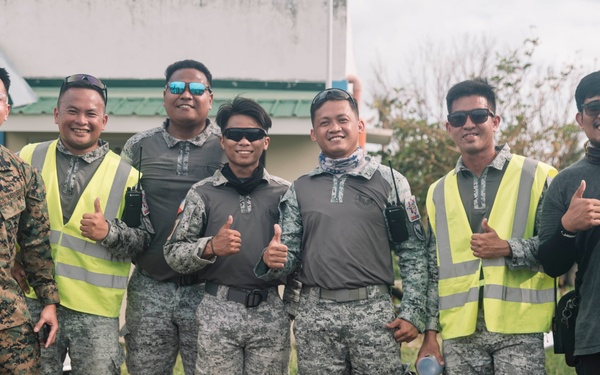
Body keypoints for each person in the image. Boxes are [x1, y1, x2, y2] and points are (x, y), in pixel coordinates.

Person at [255, 88, 427, 374]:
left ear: (359, 126)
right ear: (314, 133)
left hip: (374, 317)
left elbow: (413, 252)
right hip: (315, 316)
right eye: (324, 122)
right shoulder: (300, 188)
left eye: (342, 119)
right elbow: (289, 257)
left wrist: (412, 312)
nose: (334, 128)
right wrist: (271, 259)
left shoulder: (390, 181)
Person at [418, 78, 557, 374]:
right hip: (460, 332)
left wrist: (507, 248)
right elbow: (433, 269)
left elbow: (557, 247)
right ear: (448, 127)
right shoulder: (436, 192)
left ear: (495, 121)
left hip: (520, 327)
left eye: (478, 116)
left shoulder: (538, 175)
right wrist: (430, 334)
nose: (468, 124)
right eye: (458, 118)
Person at [15, 73, 148, 374]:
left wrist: (109, 234)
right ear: (56, 114)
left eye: (91, 113)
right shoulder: (27, 157)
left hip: (95, 312)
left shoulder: (128, 176)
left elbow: (142, 242)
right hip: (34, 299)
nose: (81, 120)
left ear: (105, 120)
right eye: (72, 111)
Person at [164, 96, 291, 374]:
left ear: (265, 141)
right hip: (217, 311)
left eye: (253, 134)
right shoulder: (202, 193)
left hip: (270, 310)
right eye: (235, 134)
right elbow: (173, 253)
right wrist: (210, 246)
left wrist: (280, 262)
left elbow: (303, 257)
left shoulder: (286, 193)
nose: (243, 142)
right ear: (223, 141)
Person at [121, 59, 227, 375]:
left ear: (210, 97)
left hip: (208, 289)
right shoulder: (139, 146)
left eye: (196, 89)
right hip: (150, 286)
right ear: (165, 94)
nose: (186, 95)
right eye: (177, 87)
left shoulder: (228, 145)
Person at [538, 70, 600, 374]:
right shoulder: (565, 183)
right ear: (580, 118)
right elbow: (550, 264)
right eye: (594, 107)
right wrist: (568, 227)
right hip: (595, 335)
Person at [0, 68, 59, 374]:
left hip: (6, 317)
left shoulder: (22, 174)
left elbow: (36, 244)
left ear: (6, 110)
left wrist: (48, 302)